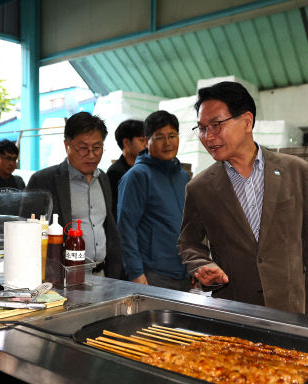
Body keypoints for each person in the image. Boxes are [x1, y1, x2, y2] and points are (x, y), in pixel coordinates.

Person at [177, 81, 308, 317]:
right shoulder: (200, 188)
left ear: (247, 121)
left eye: (216, 125)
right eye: (202, 128)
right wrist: (201, 265)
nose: (208, 137)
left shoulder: (295, 171)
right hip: (234, 311)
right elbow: (188, 243)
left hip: (289, 310)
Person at [26, 112, 122, 278]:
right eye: (83, 148)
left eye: (97, 148)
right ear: (67, 145)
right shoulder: (43, 181)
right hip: (61, 278)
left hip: (102, 275)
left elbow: (107, 227)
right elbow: (27, 235)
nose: (91, 155)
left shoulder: (103, 179)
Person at [117, 110, 190, 291]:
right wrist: (135, 274)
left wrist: (194, 267)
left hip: (184, 273)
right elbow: (126, 229)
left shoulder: (183, 177)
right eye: (159, 137)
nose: (167, 143)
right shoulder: (137, 176)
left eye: (172, 135)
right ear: (147, 140)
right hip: (153, 275)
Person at [107, 119, 146, 219]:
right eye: (142, 140)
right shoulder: (116, 172)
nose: (146, 145)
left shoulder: (146, 168)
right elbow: (115, 211)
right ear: (126, 143)